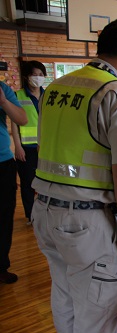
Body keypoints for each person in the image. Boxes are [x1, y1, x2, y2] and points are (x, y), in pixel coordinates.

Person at [31, 18, 117, 333]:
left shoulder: (55, 87)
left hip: (44, 212)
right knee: (97, 312)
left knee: (65, 294)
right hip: (86, 223)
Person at [11, 61, 46, 224]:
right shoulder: (18, 96)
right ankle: (30, 215)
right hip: (26, 148)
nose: (38, 78)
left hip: (45, 149)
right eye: (34, 74)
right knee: (27, 183)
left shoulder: (48, 96)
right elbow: (14, 123)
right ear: (26, 77)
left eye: (41, 75)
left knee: (45, 183)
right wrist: (18, 146)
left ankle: (45, 214)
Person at [0, 81, 27, 284]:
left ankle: (1, 266)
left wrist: (3, 101)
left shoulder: (2, 88)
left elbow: (22, 119)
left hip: (3, 163)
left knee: (4, 217)